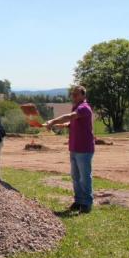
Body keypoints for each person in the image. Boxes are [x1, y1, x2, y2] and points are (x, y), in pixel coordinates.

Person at [44, 85, 95, 214]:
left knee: (84, 177)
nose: (74, 97)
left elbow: (71, 116)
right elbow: (73, 122)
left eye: (76, 94)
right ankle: (78, 201)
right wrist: (64, 125)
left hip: (84, 148)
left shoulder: (84, 108)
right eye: (73, 94)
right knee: (75, 176)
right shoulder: (77, 107)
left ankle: (86, 203)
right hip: (74, 147)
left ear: (83, 95)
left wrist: (53, 121)